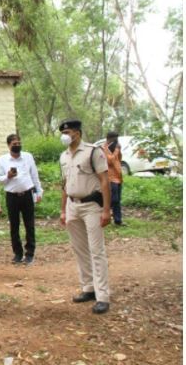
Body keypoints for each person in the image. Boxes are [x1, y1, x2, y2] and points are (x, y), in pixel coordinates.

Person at [59, 119, 112, 315]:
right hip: (73, 205)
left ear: (78, 133)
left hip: (92, 205)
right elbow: (64, 184)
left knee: (96, 250)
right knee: (80, 249)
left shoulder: (92, 151)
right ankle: (88, 287)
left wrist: (106, 210)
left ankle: (103, 296)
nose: (65, 134)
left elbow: (104, 181)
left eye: (69, 131)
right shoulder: (63, 156)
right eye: (63, 131)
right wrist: (63, 210)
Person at [0, 134, 43, 265]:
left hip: (27, 194)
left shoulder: (28, 157)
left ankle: (30, 253)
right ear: (8, 145)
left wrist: (39, 192)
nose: (17, 145)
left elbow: (34, 175)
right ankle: (17, 253)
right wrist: (8, 176)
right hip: (11, 196)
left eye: (19, 143)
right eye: (14, 144)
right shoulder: (2, 160)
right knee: (14, 226)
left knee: (30, 225)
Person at [103, 131, 124, 226]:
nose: (116, 141)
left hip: (118, 177)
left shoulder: (116, 148)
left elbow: (118, 160)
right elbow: (110, 160)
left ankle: (118, 221)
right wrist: (116, 150)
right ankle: (106, 215)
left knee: (117, 200)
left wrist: (118, 150)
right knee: (114, 199)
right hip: (110, 178)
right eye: (114, 139)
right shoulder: (104, 148)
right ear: (109, 139)